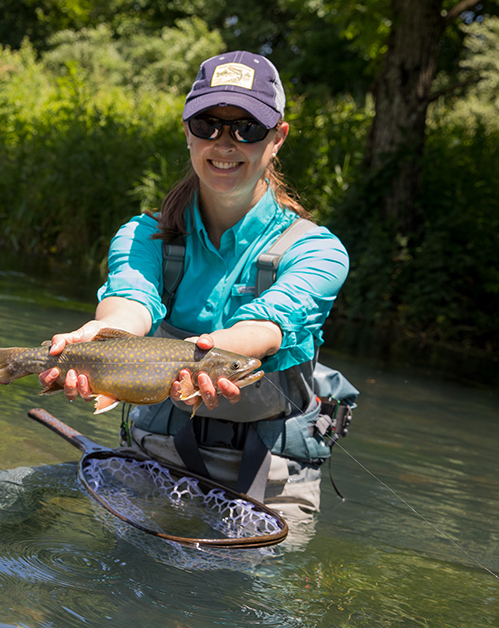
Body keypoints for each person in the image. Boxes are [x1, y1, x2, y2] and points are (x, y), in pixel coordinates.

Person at [37, 50, 351, 523]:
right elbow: (129, 302)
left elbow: (268, 326)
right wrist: (97, 342)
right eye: (208, 125)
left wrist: (207, 359)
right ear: (187, 130)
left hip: (272, 479)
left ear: (278, 137)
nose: (225, 144)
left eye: (248, 129)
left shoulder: (320, 251)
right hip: (155, 457)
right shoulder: (145, 235)